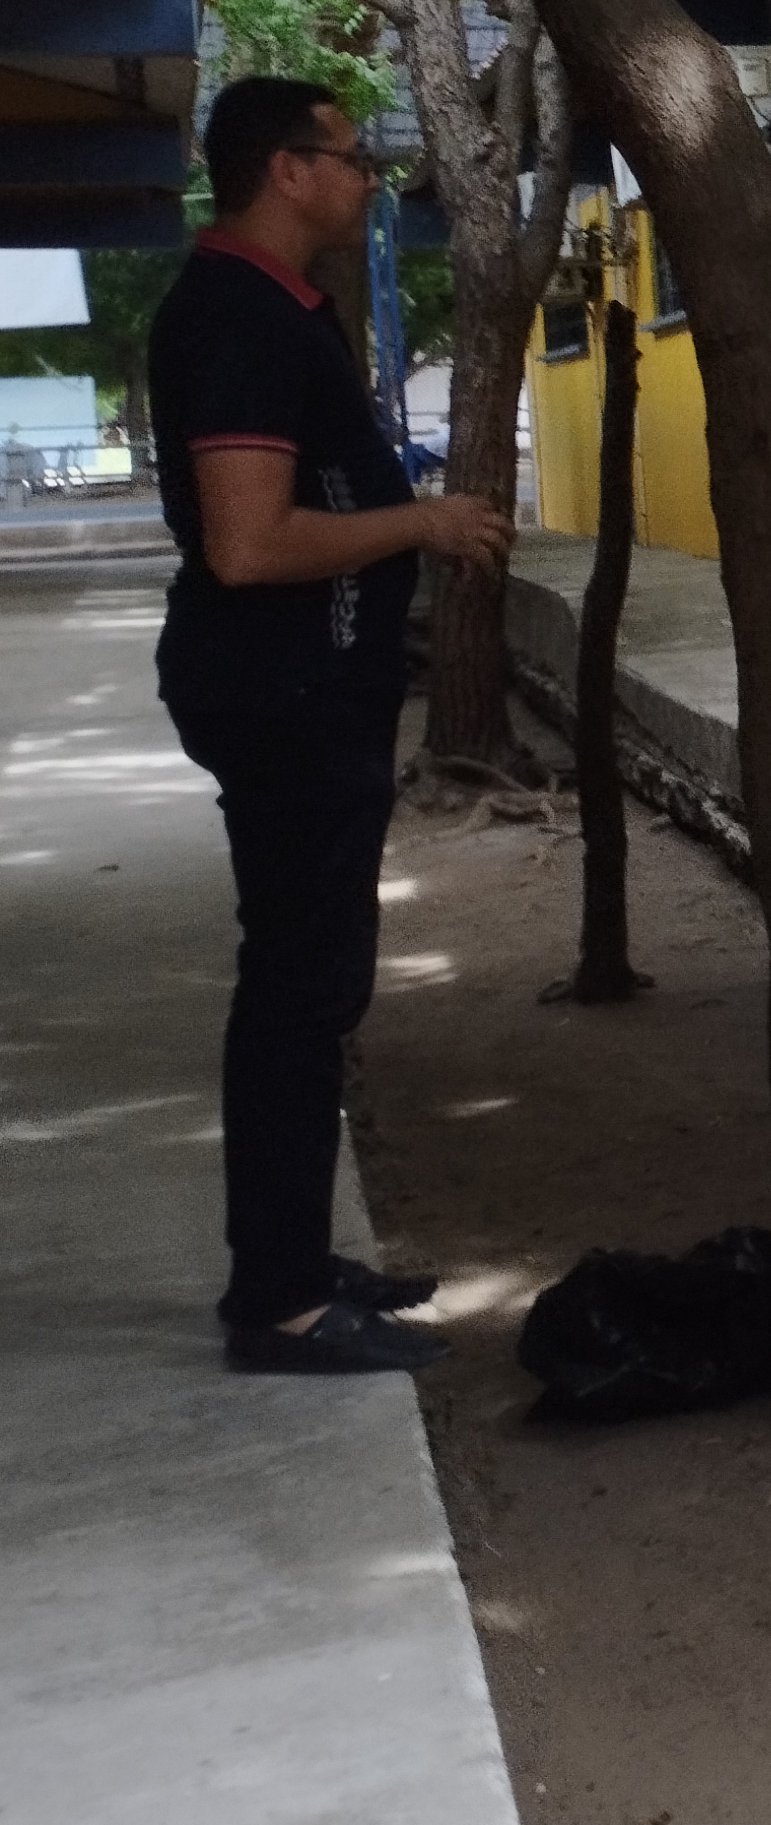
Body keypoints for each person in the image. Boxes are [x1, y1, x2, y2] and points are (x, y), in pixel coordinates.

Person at [151, 77, 514, 1370]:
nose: (367, 182)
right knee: (301, 992)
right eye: (349, 159)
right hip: (284, 699)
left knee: (313, 986)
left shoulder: (275, 311)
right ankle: (283, 1306)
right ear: (286, 172)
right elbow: (248, 545)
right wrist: (423, 523)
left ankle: (293, 1261)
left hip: (311, 698)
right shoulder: (239, 320)